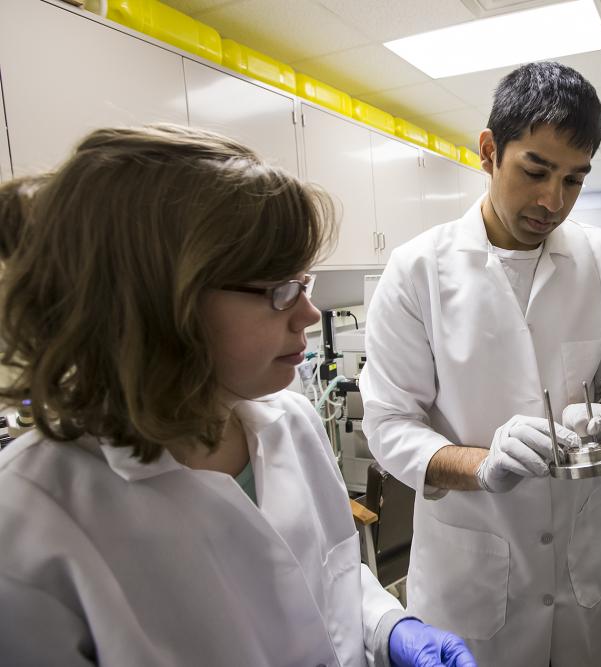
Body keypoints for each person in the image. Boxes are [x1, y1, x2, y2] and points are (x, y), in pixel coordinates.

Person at [0, 124, 476, 667]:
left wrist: (388, 624)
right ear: (157, 303)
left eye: (304, 282)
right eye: (278, 290)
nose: (308, 314)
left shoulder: (289, 421)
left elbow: (328, 575)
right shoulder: (29, 522)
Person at [361, 62, 601, 666]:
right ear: (490, 151)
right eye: (536, 171)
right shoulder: (418, 272)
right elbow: (389, 427)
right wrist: (481, 465)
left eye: (574, 180)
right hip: (471, 575)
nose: (553, 201)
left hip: (586, 558)